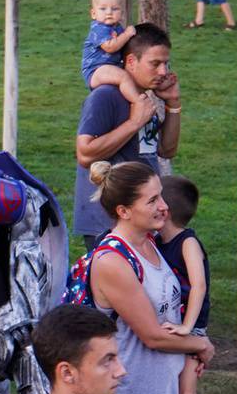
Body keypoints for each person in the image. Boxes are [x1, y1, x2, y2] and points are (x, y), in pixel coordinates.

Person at [82, 161, 217, 394]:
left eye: (161, 196)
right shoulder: (113, 260)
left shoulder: (155, 241)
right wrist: (200, 344)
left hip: (172, 391)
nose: (163, 206)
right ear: (124, 211)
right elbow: (152, 336)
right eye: (152, 200)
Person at [73, 26, 181, 253]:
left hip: (139, 221)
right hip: (107, 223)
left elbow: (166, 150)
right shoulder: (105, 96)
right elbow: (85, 154)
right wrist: (134, 122)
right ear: (131, 61)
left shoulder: (143, 98)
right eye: (155, 63)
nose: (163, 71)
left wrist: (173, 104)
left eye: (166, 63)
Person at [155, 175, 210, 394]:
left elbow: (198, 286)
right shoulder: (157, 242)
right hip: (173, 327)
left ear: (164, 211)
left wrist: (189, 328)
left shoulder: (187, 242)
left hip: (190, 328)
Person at [81, 0, 137, 93]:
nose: (109, 12)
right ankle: (137, 101)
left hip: (111, 67)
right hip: (95, 70)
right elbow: (110, 47)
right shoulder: (98, 28)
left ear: (122, 13)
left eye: (115, 9)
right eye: (103, 9)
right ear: (93, 14)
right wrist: (127, 34)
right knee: (123, 77)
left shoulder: (117, 28)